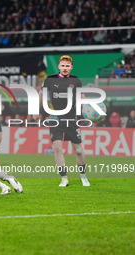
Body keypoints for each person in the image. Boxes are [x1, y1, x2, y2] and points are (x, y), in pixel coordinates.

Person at [35, 55, 90, 187]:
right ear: (59, 66)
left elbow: (82, 97)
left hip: (71, 118)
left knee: (77, 149)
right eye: (63, 65)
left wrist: (87, 110)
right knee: (57, 148)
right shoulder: (50, 80)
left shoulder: (76, 81)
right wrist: (37, 110)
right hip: (55, 118)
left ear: (71, 67)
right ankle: (64, 178)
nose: (65, 68)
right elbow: (42, 94)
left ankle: (83, 176)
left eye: (67, 66)